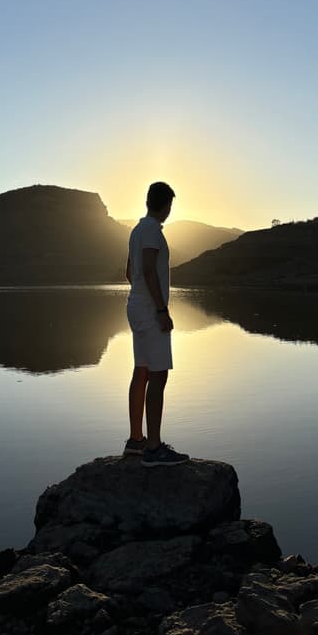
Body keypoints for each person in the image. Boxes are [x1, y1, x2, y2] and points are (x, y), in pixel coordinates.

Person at [124, 181, 189, 467]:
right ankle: (153, 448)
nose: (169, 212)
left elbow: (131, 271)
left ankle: (136, 441)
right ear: (165, 205)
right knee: (159, 376)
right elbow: (148, 268)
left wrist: (141, 298)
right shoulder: (151, 230)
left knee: (142, 370)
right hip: (150, 310)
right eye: (169, 207)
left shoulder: (137, 230)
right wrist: (161, 308)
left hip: (137, 306)